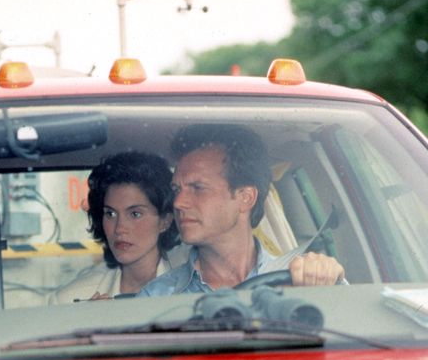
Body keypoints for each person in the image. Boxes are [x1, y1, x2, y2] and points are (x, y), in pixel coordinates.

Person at [139, 124, 345, 296]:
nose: (178, 202)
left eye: (198, 188)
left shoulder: (302, 281)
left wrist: (327, 279)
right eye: (176, 189)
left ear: (246, 197)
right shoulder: (156, 297)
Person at [47, 152, 183, 304]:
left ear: (165, 220)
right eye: (110, 213)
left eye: (135, 214)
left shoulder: (193, 290)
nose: (119, 228)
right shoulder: (69, 299)